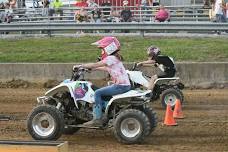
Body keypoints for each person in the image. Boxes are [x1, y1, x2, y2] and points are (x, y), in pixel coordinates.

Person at [73, 37, 131, 127]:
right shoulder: (114, 58)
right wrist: (92, 69)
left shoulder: (111, 58)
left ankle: (97, 119)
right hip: (123, 85)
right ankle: (105, 113)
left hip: (120, 86)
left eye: (102, 49)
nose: (102, 52)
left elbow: (96, 64)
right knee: (101, 92)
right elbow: (105, 68)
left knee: (97, 93)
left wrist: (81, 65)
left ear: (109, 48)